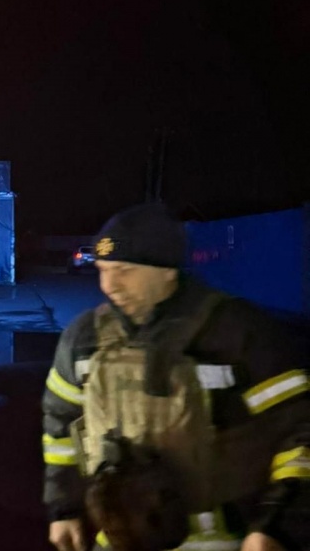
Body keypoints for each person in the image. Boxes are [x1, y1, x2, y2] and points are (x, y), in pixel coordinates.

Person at [42, 203, 310, 551]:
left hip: (226, 540)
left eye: (124, 270)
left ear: (167, 271)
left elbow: (299, 433)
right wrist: (64, 508)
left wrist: (277, 528)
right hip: (121, 538)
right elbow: (60, 428)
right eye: (102, 270)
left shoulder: (240, 334)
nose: (110, 286)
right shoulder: (83, 339)